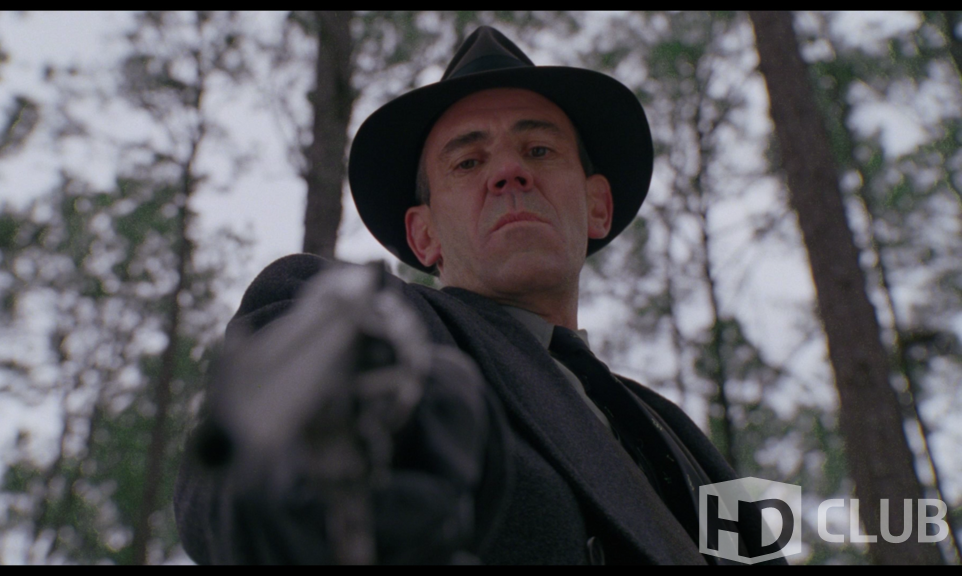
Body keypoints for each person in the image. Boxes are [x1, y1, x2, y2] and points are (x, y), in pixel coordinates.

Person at [174, 26, 784, 565]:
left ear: (598, 205)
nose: (508, 172)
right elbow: (242, 483)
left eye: (539, 150)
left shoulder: (674, 431)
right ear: (424, 235)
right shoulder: (387, 333)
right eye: (467, 162)